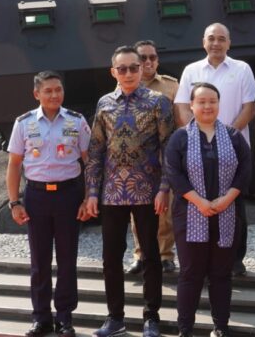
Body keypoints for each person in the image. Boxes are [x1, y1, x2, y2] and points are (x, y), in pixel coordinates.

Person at [84, 46, 175, 337]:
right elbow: (96, 150)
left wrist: (164, 189)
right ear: (113, 72)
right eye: (121, 69)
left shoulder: (158, 102)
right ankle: (115, 318)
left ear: (142, 69)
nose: (128, 73)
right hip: (111, 192)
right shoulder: (104, 104)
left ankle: (152, 317)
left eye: (133, 67)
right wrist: (92, 193)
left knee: (151, 255)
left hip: (147, 191)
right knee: (111, 257)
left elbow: (169, 149)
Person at [6, 71, 91, 337]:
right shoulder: (24, 123)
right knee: (39, 260)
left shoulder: (77, 121)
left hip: (69, 195)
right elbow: (14, 165)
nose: (54, 95)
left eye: (58, 90)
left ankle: (65, 317)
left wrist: (89, 197)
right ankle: (41, 318)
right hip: (37, 196)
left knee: (67, 259)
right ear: (37, 94)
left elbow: (89, 163)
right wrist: (14, 202)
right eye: (48, 91)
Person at [165, 83, 252, 337]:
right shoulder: (179, 137)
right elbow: (174, 174)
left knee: (221, 274)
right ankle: (185, 329)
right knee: (191, 274)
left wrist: (226, 200)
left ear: (218, 104)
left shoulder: (234, 136)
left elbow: (245, 172)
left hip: (227, 212)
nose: (207, 106)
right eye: (201, 101)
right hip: (190, 213)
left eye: (212, 101)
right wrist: (200, 202)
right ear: (191, 105)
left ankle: (221, 327)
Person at [174, 22, 255, 276]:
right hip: (196, 148)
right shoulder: (191, 70)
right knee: (200, 200)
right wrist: (198, 134)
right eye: (212, 38)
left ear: (229, 43)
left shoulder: (242, 69)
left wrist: (226, 135)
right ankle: (201, 256)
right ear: (203, 41)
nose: (216, 43)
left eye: (222, 39)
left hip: (233, 147)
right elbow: (182, 106)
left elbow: (249, 107)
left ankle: (235, 259)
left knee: (234, 202)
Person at [126, 40, 180, 276]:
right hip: (136, 158)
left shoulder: (171, 87)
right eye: (143, 58)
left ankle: (166, 255)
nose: (148, 62)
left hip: (165, 155)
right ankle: (141, 254)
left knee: (165, 208)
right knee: (136, 211)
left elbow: (180, 122)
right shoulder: (127, 85)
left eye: (152, 57)